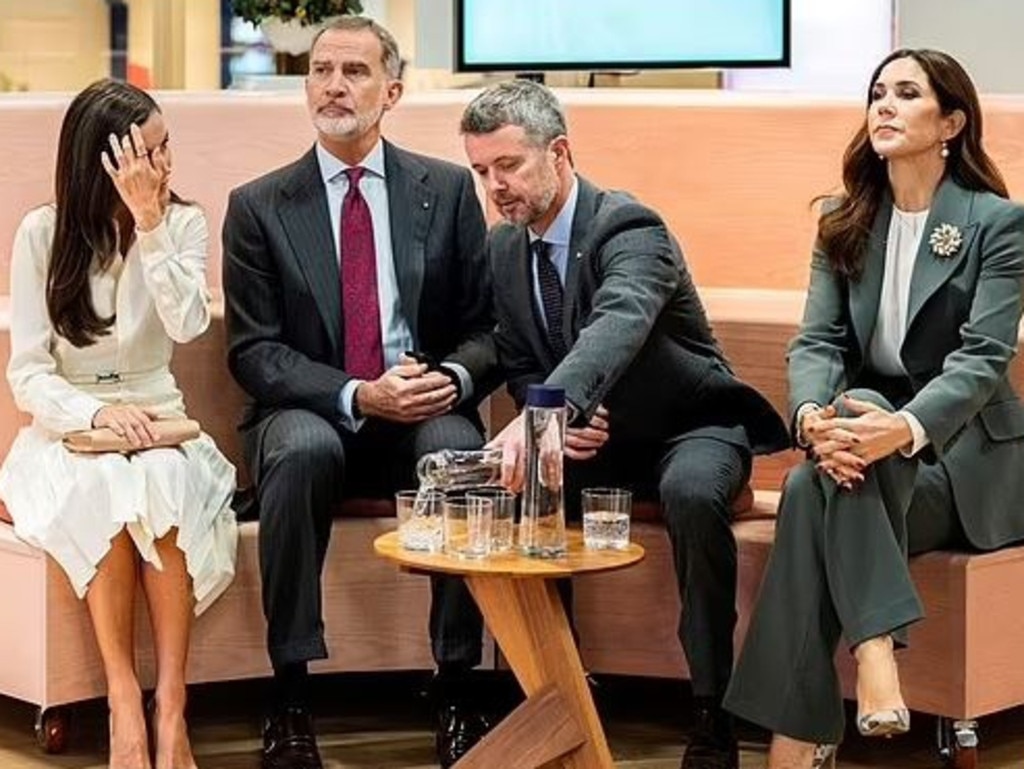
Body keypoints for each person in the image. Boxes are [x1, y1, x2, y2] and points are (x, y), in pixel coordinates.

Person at [458, 79, 790, 769]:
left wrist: (547, 414)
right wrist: (555, 424)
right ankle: (555, 696)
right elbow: (522, 358)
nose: (496, 186)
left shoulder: (630, 226)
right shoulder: (501, 249)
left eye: (509, 166)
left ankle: (712, 712)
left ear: (560, 152)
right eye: (482, 171)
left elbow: (619, 323)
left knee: (695, 493)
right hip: (593, 436)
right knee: (519, 493)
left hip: (689, 426)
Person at [723, 49, 1024, 769]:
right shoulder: (843, 218)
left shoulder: (996, 223)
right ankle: (873, 653)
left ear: (950, 121)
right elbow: (817, 341)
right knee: (818, 470)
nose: (884, 104)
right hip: (864, 450)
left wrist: (905, 427)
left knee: (811, 485)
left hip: (965, 462)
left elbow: (984, 358)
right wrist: (810, 419)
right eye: (877, 92)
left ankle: (803, 731)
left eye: (907, 93)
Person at [221, 17, 498, 769]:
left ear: (392, 91)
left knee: (458, 448)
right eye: (320, 70)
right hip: (314, 409)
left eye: (354, 71)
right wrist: (354, 392)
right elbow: (254, 352)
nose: (333, 85)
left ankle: (456, 685)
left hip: (419, 408)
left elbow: (485, 328)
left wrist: (449, 379)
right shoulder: (258, 205)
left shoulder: (444, 190)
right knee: (303, 449)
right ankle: (289, 692)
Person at [0, 79, 238, 769]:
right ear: (104, 158)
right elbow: (29, 375)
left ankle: (172, 704)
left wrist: (151, 225)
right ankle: (121, 699)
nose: (164, 166)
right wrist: (98, 412)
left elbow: (189, 325)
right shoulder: (43, 233)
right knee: (104, 487)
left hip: (161, 420)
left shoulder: (182, 224)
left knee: (161, 479)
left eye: (167, 149)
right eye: (150, 151)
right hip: (68, 425)